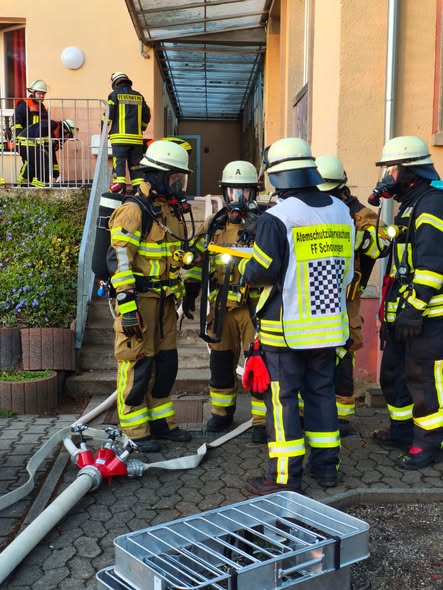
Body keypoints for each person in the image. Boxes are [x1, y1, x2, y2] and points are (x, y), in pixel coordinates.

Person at [237, 137, 355, 495]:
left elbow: (263, 272)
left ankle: (285, 477)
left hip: (286, 328)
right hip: (329, 325)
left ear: (277, 176)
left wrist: (243, 267)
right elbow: (348, 270)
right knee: (321, 394)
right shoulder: (341, 210)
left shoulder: (278, 217)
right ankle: (327, 468)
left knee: (283, 399)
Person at [107, 139, 194, 451]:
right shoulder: (134, 211)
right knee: (137, 363)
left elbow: (175, 254)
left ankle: (161, 423)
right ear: (157, 175)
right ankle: (134, 430)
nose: (178, 185)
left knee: (165, 364)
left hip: (165, 302)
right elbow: (119, 259)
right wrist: (127, 305)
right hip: (140, 301)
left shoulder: (167, 211)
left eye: (180, 179)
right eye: (174, 178)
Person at [371, 135, 443, 469]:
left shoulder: (432, 204)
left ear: (410, 171)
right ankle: (401, 431)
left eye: (392, 169)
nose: (387, 176)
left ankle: (428, 443)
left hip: (429, 316)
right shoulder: (412, 203)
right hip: (405, 311)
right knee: (394, 374)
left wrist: (415, 310)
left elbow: (431, 266)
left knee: (423, 380)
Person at [183, 160, 267, 443]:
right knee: (220, 363)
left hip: (254, 307)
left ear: (254, 192)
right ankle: (221, 413)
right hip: (221, 308)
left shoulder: (265, 223)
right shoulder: (214, 223)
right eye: (233, 191)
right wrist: (191, 288)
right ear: (224, 192)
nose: (238, 198)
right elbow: (198, 257)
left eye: (244, 191)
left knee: (258, 362)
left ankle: (261, 420)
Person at [312, 155, 389, 436]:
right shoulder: (310, 208)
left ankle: (342, 416)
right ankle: (308, 412)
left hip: (347, 301)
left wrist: (350, 236)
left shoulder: (360, 214)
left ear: (342, 188)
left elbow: (382, 245)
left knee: (343, 356)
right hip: (313, 295)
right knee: (311, 355)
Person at [102, 72, 151, 195]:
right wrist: (142, 127)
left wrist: (103, 127)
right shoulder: (139, 96)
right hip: (136, 139)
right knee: (135, 166)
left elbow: (109, 113)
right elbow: (146, 114)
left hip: (119, 139)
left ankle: (119, 191)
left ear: (115, 83)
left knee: (119, 164)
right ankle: (139, 192)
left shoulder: (114, 95)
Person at [15, 119, 78, 188]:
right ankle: (39, 185)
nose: (66, 139)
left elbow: (52, 156)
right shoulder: (53, 124)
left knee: (32, 165)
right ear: (65, 130)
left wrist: (56, 174)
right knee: (44, 161)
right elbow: (40, 128)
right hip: (28, 143)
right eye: (68, 136)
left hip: (23, 143)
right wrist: (39, 143)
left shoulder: (54, 136)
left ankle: (21, 184)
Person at [14, 80, 49, 187]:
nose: (41, 96)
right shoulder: (24, 104)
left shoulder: (42, 108)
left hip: (35, 142)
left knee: (32, 163)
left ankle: (25, 185)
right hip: (23, 141)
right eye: (39, 93)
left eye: (43, 94)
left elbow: (44, 125)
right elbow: (16, 122)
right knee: (30, 161)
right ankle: (20, 185)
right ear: (33, 93)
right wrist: (20, 137)